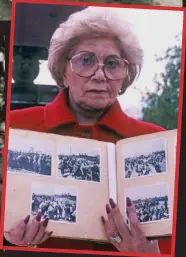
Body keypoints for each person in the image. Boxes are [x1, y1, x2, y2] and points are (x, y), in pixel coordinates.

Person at [4, 6, 171, 254]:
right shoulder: (14, 125)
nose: (100, 75)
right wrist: (8, 242)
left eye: (112, 64)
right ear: (63, 70)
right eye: (86, 60)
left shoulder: (156, 140)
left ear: (125, 76)